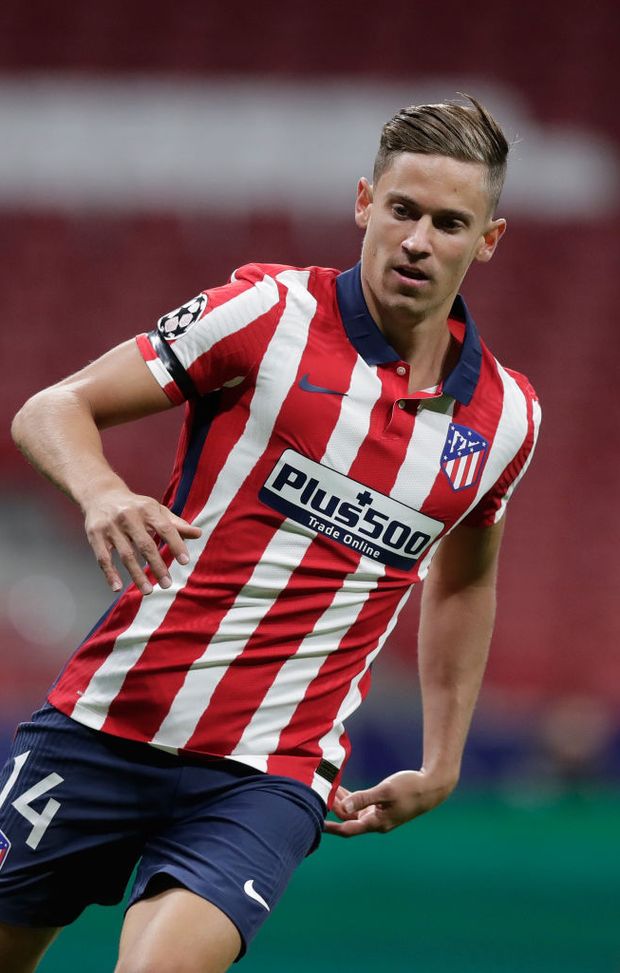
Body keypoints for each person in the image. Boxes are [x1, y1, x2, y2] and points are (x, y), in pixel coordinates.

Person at [0, 95, 540, 973]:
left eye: (449, 222)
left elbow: (466, 578)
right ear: (365, 203)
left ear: (488, 239)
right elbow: (50, 408)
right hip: (107, 721)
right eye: (403, 210)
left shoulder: (507, 418)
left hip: (267, 769)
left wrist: (443, 761)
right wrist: (100, 490)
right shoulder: (266, 314)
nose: (417, 240)